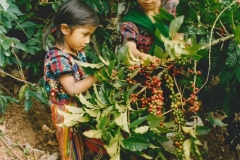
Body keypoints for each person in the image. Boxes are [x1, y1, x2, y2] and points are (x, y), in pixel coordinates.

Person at [42, 0, 99, 159]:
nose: (88, 41)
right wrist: (96, 76)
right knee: (69, 145)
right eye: (85, 34)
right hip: (65, 110)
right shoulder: (58, 58)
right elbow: (72, 89)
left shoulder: (77, 50)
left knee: (80, 139)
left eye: (90, 35)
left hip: (78, 107)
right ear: (65, 29)